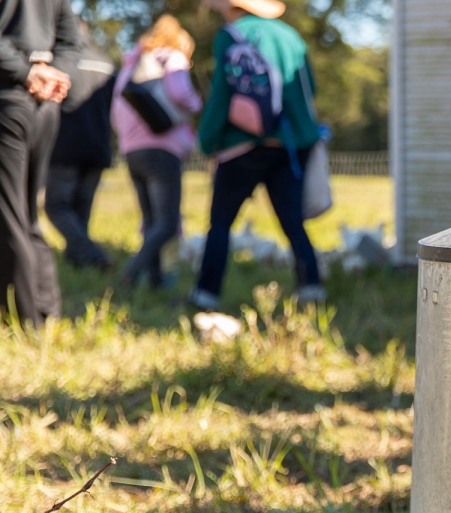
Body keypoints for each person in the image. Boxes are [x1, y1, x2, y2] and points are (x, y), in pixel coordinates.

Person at [189, 0, 323, 312]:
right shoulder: (290, 35)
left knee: (221, 223)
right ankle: (312, 289)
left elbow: (222, 94)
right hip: (291, 144)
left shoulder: (231, 35)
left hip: (242, 147)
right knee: (292, 223)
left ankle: (205, 296)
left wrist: (208, 141)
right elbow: (309, 88)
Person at [0, 0, 78, 327]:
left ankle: (26, 319)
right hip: (45, 103)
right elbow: (72, 42)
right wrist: (54, 73)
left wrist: (29, 72)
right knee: (28, 212)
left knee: (10, 214)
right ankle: (47, 309)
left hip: (9, 98)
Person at [111, 15, 202, 289]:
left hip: (132, 150)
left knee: (151, 220)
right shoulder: (172, 58)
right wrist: (198, 106)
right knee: (167, 222)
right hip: (163, 148)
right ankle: (131, 274)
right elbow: (181, 94)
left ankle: (156, 281)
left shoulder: (132, 64)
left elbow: (116, 108)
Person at [45, 21, 114, 270]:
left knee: (56, 205)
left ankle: (92, 255)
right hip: (99, 147)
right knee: (80, 209)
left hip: (66, 147)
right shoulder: (107, 63)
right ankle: (79, 262)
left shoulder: (60, 63)